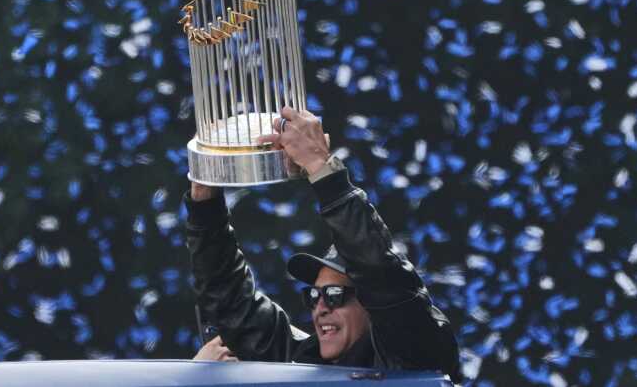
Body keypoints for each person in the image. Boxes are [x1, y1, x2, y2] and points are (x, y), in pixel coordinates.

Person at [185, 106, 462, 381]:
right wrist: (204, 201)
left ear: (372, 305)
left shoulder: (413, 357)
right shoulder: (302, 363)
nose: (321, 308)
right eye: (314, 296)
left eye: (334, 296)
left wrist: (321, 167)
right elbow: (231, 304)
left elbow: (379, 271)